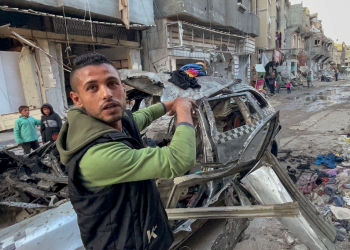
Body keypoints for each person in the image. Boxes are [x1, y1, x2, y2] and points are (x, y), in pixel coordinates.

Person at [57, 53, 197, 250]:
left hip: (143, 235)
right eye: (92, 88)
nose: (106, 94)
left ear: (123, 88)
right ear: (77, 99)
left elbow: (142, 116)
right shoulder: (96, 155)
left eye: (112, 83)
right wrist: (183, 110)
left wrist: (170, 104)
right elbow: (180, 159)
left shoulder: (110, 124)